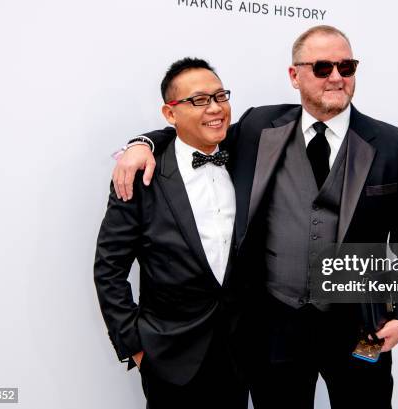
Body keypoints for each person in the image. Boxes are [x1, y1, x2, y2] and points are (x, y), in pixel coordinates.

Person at [112, 25, 398, 409]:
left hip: (361, 328)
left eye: (346, 67)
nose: (336, 77)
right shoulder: (259, 127)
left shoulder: (394, 145)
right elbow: (198, 132)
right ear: (294, 75)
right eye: (323, 67)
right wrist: (143, 143)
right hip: (274, 329)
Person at [94, 57, 248, 409]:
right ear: (170, 113)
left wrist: (141, 140)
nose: (215, 108)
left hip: (240, 353)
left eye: (220, 96)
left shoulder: (246, 155)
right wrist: (134, 344)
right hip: (170, 357)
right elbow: (109, 268)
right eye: (198, 100)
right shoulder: (140, 176)